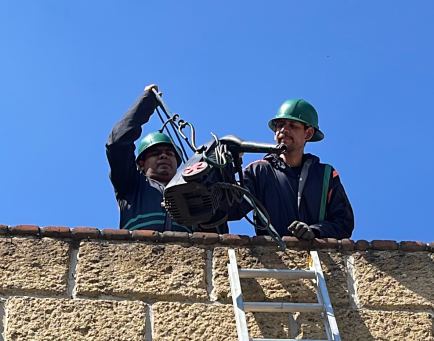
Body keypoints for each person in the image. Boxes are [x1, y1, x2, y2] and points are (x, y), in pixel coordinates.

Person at [107, 85, 221, 232]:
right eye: (155, 153)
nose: (163, 155)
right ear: (141, 163)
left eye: (169, 153)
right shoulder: (131, 185)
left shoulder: (193, 191)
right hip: (137, 252)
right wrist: (146, 102)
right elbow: (117, 143)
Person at [238, 98, 354, 241]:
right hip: (273, 258)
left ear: (308, 133)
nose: (284, 130)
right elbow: (232, 208)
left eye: (293, 125)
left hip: (318, 259)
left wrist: (315, 231)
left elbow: (343, 223)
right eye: (280, 125)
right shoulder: (259, 171)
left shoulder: (325, 175)